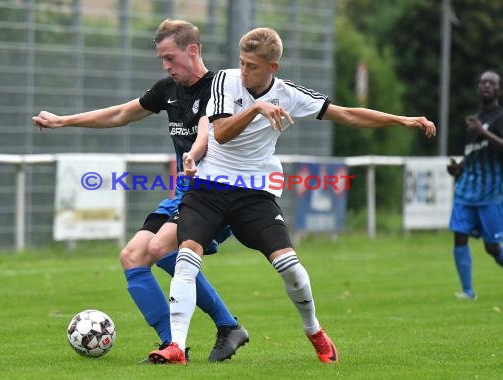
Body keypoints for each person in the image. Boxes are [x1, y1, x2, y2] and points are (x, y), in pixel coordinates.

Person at [148, 27, 436, 365]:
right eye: (241, 63)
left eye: (252, 66)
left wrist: (402, 120)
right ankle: (176, 348)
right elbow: (221, 134)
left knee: (289, 266)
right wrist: (257, 108)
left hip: (254, 193)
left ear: (273, 67)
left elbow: (346, 114)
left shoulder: (289, 94)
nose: (243, 71)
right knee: (186, 254)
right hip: (209, 186)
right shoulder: (224, 81)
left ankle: (314, 331)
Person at [32, 19, 249, 362]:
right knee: (133, 256)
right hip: (185, 193)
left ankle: (226, 326)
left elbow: (211, 133)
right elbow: (121, 113)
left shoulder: (219, 88)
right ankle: (171, 344)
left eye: (169, 57)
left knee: (162, 248)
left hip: (218, 194)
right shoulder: (168, 89)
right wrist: (64, 120)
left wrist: (194, 154)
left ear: (192, 50)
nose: (165, 66)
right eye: (161, 59)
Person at [446, 70, 503, 300]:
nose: (486, 86)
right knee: (459, 236)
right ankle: (468, 291)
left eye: (491, 83)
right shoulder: (474, 121)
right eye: (482, 82)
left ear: (498, 89)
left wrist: (483, 132)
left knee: (492, 248)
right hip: (466, 191)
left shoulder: (499, 117)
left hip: (490, 194)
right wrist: (458, 169)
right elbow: (472, 156)